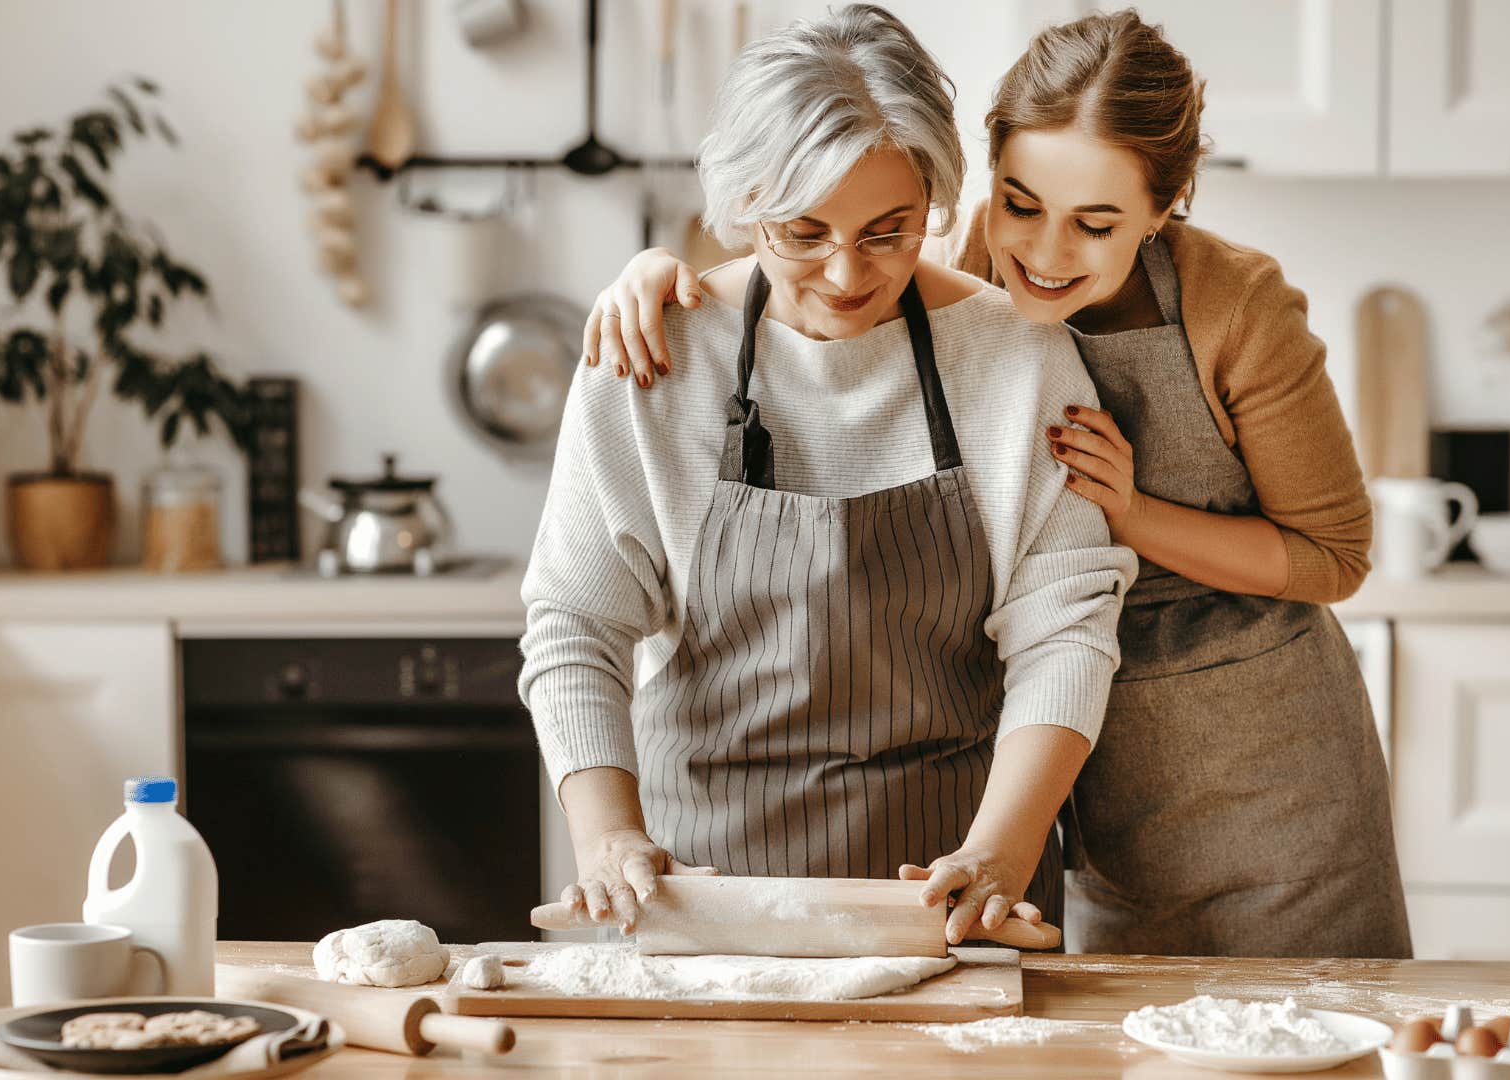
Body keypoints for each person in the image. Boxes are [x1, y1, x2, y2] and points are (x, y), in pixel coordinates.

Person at [577, 8, 1410, 958]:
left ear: (1168, 205)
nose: (1046, 255)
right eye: (1022, 204)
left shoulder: (1232, 309)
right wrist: (662, 278)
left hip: (1257, 761)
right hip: (1077, 765)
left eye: (1096, 224)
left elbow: (1332, 557)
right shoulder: (968, 272)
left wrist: (1130, 514)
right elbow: (823, 248)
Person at [520, 4, 1134, 947]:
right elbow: (576, 622)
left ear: (934, 200)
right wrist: (607, 838)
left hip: (954, 898)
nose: (848, 274)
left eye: (890, 232)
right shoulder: (652, 356)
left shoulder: (1017, 360)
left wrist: (1002, 855)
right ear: (743, 206)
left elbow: (1065, 629)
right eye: (803, 234)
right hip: (702, 900)